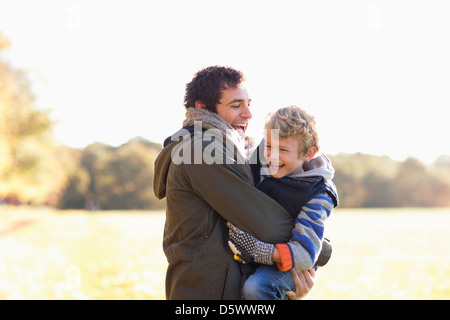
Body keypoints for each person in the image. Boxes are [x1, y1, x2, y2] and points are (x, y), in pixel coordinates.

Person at [153, 66, 316, 300]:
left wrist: (280, 284)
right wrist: (316, 248)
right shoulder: (199, 151)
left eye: (249, 103)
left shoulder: (236, 149)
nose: (249, 113)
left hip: (230, 288)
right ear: (202, 108)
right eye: (236, 105)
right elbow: (264, 224)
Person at [227, 106, 338, 300]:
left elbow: (305, 255)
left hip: (292, 260)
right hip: (267, 247)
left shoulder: (318, 194)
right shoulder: (263, 157)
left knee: (257, 287)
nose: (272, 156)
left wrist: (257, 250)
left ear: (308, 154)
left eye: (283, 150)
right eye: (269, 146)